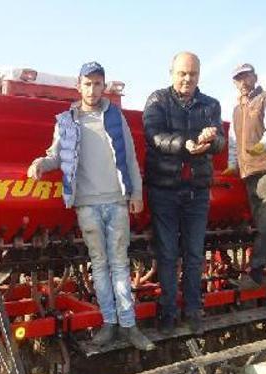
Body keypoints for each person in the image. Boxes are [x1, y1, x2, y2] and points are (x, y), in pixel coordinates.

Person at [27, 62, 154, 351]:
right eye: (87, 83)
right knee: (99, 264)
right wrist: (40, 163)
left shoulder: (115, 116)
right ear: (79, 86)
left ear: (103, 86)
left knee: (120, 265)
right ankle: (109, 323)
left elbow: (131, 157)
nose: (92, 89)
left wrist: (136, 193)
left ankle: (129, 325)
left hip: (116, 201)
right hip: (86, 204)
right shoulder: (66, 121)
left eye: (98, 84)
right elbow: (55, 156)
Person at [142, 52, 226, 335]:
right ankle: (168, 310)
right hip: (164, 189)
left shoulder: (210, 105)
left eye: (192, 74)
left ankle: (192, 309)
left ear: (199, 75)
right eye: (182, 73)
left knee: (193, 253)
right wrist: (184, 145)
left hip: (197, 190)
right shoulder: (157, 100)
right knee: (167, 253)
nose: (187, 79)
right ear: (172, 73)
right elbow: (153, 136)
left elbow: (221, 142)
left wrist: (211, 141)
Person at [225, 63, 266, 287]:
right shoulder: (236, 110)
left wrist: (262, 147)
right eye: (238, 79)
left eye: (246, 76)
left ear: (254, 77)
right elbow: (233, 142)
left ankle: (257, 267)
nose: (242, 82)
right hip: (248, 171)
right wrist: (232, 164)